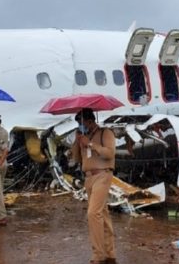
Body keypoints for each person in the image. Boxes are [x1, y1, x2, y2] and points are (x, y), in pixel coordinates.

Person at [71, 108, 117, 264]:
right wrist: (78, 142)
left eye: (82, 123)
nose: (81, 126)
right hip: (89, 178)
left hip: (102, 175)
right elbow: (77, 159)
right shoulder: (84, 137)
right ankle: (110, 252)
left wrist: (91, 144)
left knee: (93, 213)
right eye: (79, 124)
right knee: (102, 214)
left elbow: (110, 153)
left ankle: (98, 255)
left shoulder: (105, 133)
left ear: (90, 121)